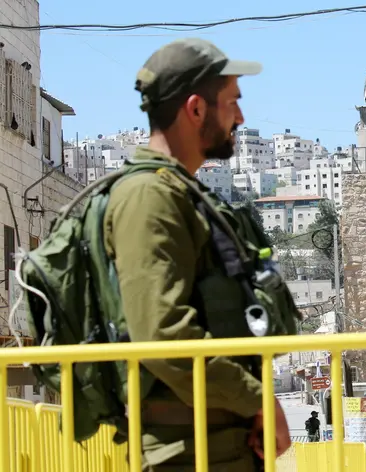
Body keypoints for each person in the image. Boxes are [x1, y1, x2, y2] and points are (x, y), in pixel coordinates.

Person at [105, 38, 291, 470]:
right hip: (186, 454)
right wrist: (257, 398)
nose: (240, 117)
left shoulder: (181, 192)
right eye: (232, 103)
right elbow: (162, 334)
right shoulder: (148, 197)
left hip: (220, 446)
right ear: (195, 110)